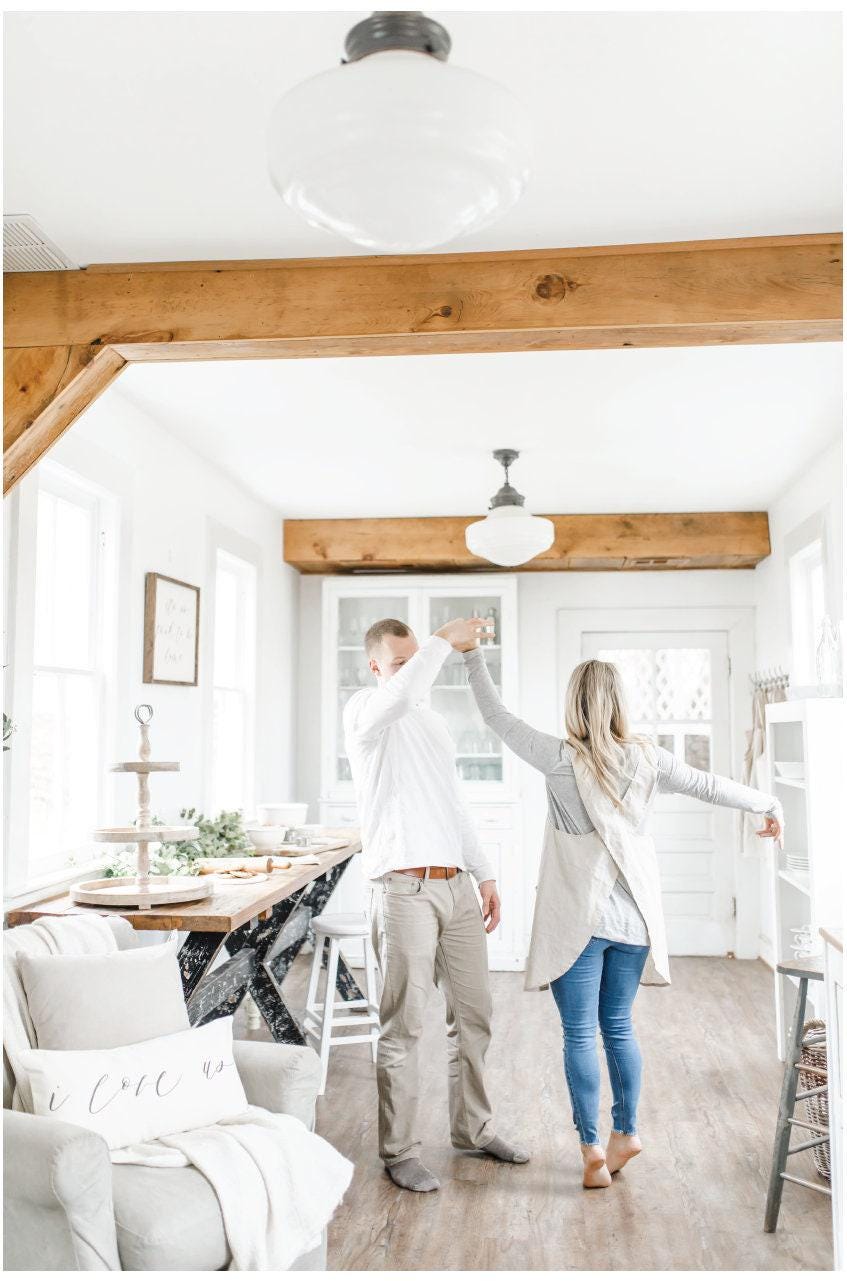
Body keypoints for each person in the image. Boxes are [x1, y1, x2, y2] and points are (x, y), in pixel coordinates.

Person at [459, 638, 783, 1190]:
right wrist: (766, 803)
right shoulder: (650, 759)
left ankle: (590, 1148)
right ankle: (626, 1131)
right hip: (633, 922)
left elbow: (494, 715)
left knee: (579, 1034)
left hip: (576, 925)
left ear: (573, 704)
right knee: (618, 1026)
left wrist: (471, 656)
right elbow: (710, 785)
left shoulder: (557, 757)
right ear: (618, 703)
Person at [343, 616, 530, 1194]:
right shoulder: (365, 714)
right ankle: (398, 1150)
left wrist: (486, 874)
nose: (409, 672)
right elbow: (400, 693)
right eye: (398, 663)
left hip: (455, 887)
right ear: (376, 667)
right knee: (403, 1024)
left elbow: (453, 804)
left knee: (474, 1017)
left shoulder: (433, 725)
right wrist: (443, 642)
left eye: (413, 660)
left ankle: (473, 1129)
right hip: (402, 889)